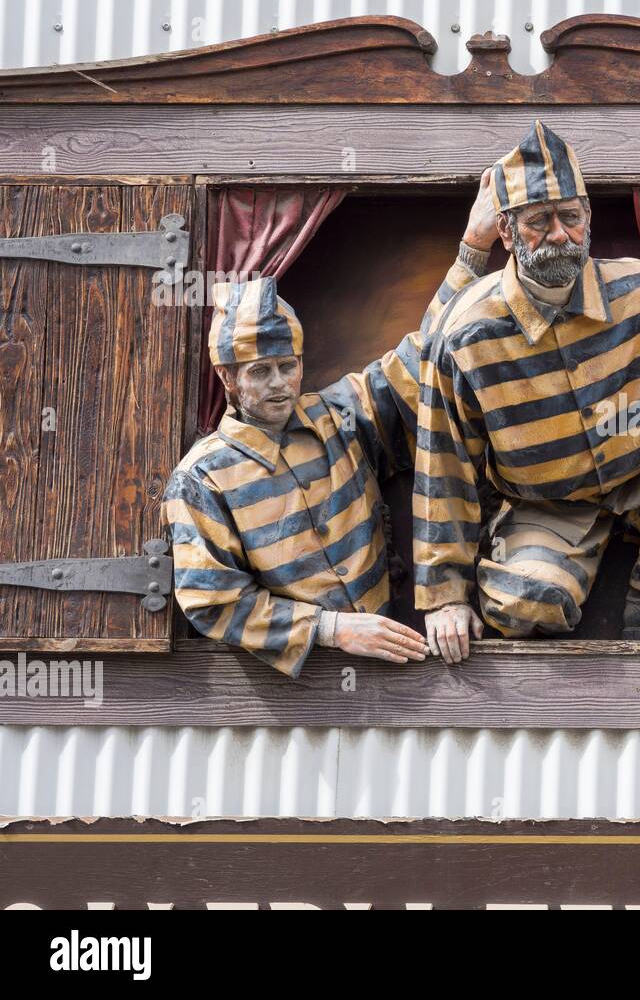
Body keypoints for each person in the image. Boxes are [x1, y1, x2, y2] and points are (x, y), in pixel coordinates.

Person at [415, 120, 640, 664]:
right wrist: (444, 595)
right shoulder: (466, 333)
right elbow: (442, 463)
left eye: (571, 217)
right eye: (539, 221)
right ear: (507, 229)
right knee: (526, 606)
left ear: (588, 218)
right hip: (544, 503)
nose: (560, 234)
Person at [162, 181, 500, 677]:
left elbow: (422, 354)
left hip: (393, 667)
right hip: (293, 694)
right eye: (260, 372)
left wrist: (474, 245)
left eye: (287, 365)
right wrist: (331, 629)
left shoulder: (338, 415)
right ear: (228, 379)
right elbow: (212, 601)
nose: (279, 384)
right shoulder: (201, 479)